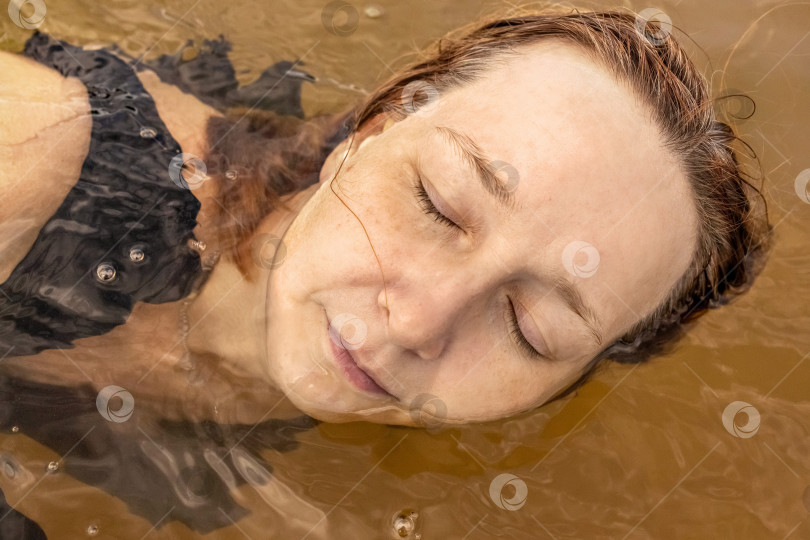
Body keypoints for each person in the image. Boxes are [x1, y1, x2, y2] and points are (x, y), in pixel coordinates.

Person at [0, 9, 772, 432]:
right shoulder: (45, 154)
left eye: (532, 329)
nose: (419, 322)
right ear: (365, 137)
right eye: (437, 204)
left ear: (572, 384)